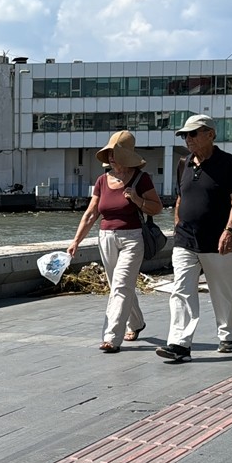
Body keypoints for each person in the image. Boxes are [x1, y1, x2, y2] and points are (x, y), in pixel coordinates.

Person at [156, 115, 232, 363]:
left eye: (193, 134)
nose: (188, 139)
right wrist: (177, 225)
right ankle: (179, 344)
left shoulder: (227, 163)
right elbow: (180, 198)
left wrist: (229, 230)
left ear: (210, 134)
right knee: (181, 290)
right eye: (185, 135)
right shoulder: (183, 163)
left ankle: (228, 334)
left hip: (218, 240)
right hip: (185, 239)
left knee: (224, 291)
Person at [66, 130, 162, 353]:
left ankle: (111, 337)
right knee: (118, 286)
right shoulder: (102, 180)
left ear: (126, 155)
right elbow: (91, 214)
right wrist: (76, 241)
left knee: (120, 286)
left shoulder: (141, 178)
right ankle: (137, 323)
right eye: (108, 153)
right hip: (106, 238)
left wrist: (137, 199)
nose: (110, 157)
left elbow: (156, 207)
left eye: (114, 153)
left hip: (133, 238)